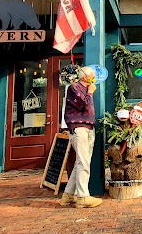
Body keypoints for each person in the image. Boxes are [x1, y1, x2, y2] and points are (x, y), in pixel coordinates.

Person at [60, 66, 102, 208]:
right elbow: (82, 105)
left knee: (81, 162)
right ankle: (83, 196)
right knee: (83, 163)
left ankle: (68, 195)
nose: (94, 77)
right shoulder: (74, 87)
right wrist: (90, 92)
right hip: (79, 128)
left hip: (88, 128)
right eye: (92, 75)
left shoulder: (85, 89)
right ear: (85, 77)